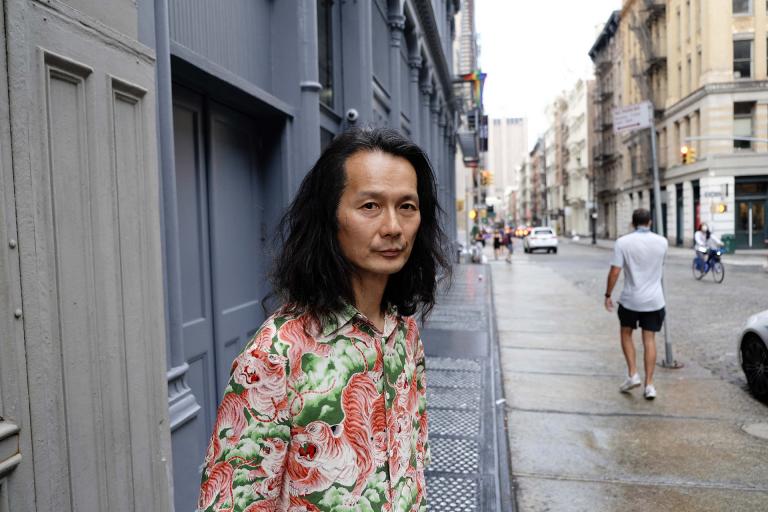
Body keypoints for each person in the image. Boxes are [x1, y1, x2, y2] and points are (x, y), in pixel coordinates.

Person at [197, 128, 450, 512]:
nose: (393, 227)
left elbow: (412, 463)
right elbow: (231, 501)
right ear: (330, 217)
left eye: (407, 207)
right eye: (370, 206)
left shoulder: (404, 331)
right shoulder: (277, 352)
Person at [604, 208, 668, 400]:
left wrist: (608, 294)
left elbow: (615, 271)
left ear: (632, 223)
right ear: (650, 222)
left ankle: (633, 374)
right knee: (649, 340)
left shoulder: (623, 242)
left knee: (626, 333)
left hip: (631, 300)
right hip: (655, 300)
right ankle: (649, 385)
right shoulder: (662, 242)